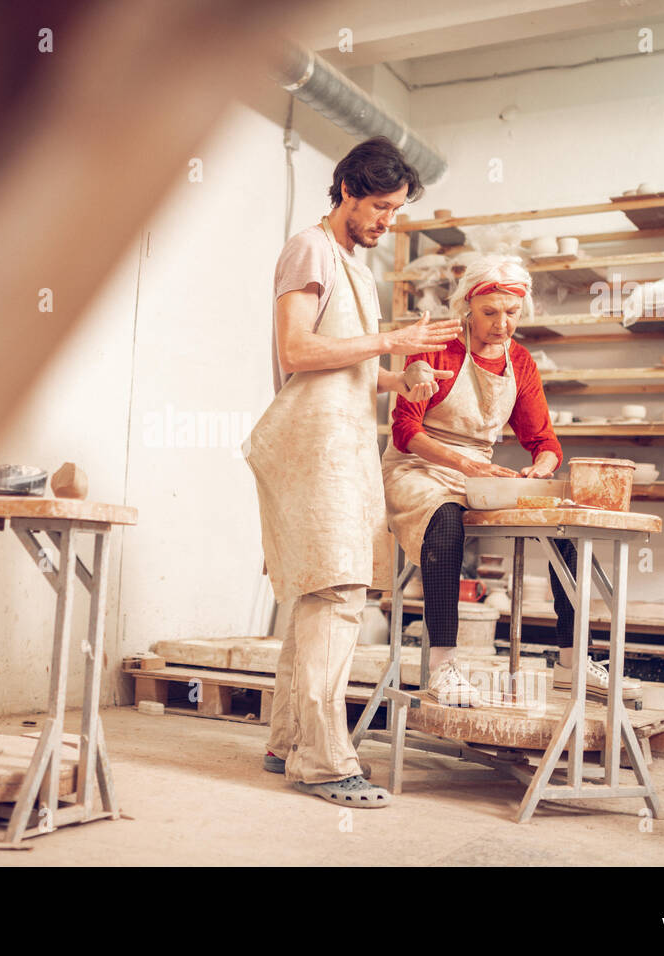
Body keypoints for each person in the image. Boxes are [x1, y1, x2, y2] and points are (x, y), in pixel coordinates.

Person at [244, 137, 461, 807]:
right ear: (346, 192)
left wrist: (400, 377)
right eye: (380, 208)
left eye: (395, 211)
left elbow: (351, 368)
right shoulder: (308, 249)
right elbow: (297, 349)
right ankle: (324, 760)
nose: (386, 222)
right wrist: (390, 341)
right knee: (337, 593)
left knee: (318, 594)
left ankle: (287, 742)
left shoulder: (357, 268)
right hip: (309, 443)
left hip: (341, 443)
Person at [384, 255, 640, 705]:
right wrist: (466, 467)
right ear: (468, 306)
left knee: (566, 526)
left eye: (512, 313)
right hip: (419, 467)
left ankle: (571, 660)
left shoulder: (519, 361)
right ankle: (442, 667)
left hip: (480, 472)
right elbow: (405, 432)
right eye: (490, 313)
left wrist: (541, 466)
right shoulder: (437, 345)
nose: (502, 324)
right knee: (445, 523)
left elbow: (543, 440)